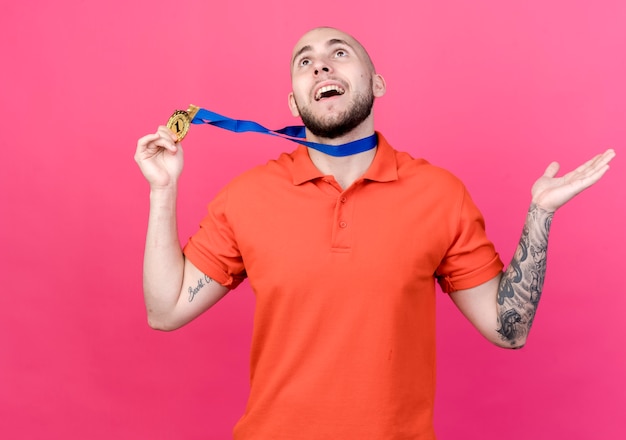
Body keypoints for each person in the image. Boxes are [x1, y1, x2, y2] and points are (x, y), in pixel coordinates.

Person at [135, 27, 615, 440]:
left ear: (378, 83)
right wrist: (163, 191)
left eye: (338, 53)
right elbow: (166, 310)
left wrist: (540, 214)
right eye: (306, 62)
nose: (321, 66)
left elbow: (508, 331)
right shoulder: (247, 196)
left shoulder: (438, 194)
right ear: (293, 99)